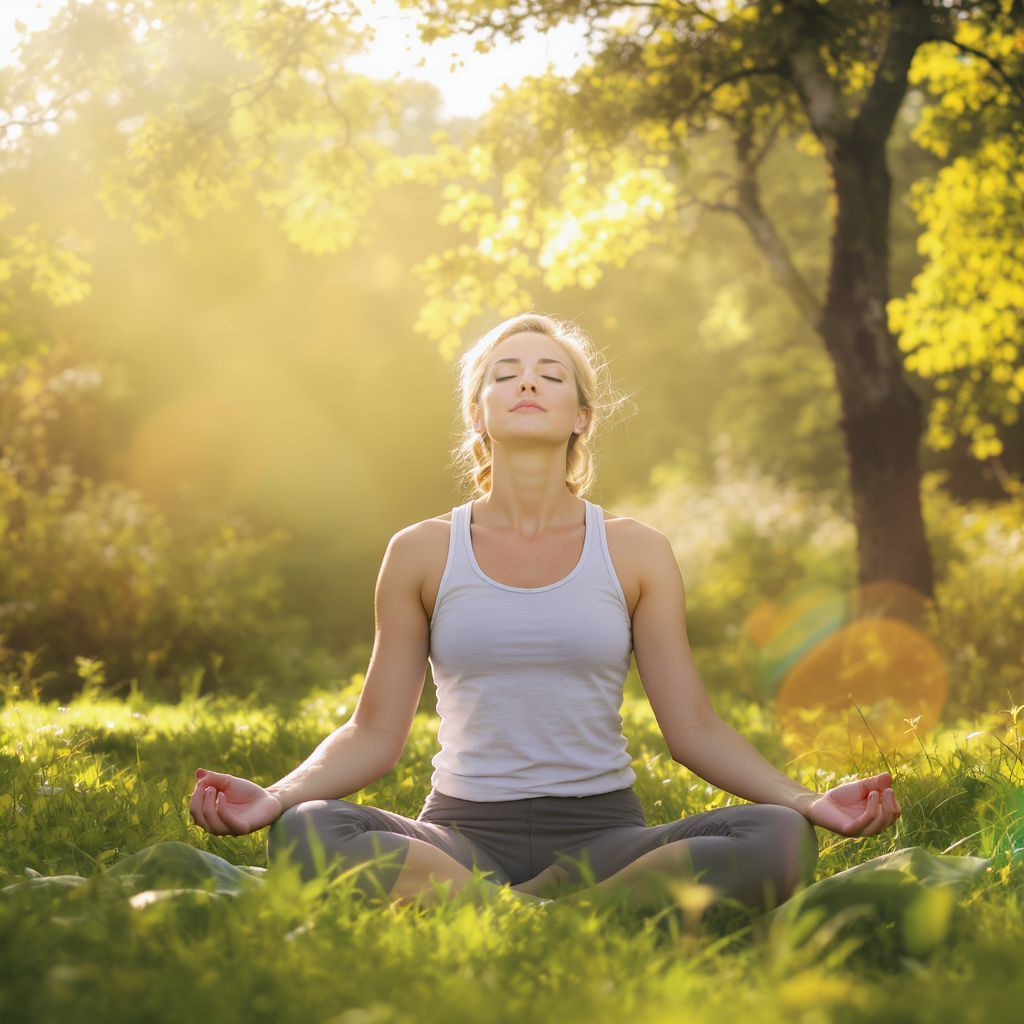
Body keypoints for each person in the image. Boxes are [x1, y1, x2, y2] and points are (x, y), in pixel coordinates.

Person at [189, 312, 901, 914]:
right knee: (308, 831)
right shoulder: (421, 551)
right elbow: (375, 732)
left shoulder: (637, 551)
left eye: (551, 374)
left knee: (778, 839)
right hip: (458, 838)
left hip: (606, 836)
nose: (527, 380)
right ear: (477, 412)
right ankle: (569, 912)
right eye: (504, 372)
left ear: (581, 417)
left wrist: (809, 801)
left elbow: (694, 728)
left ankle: (502, 911)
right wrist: (275, 798)